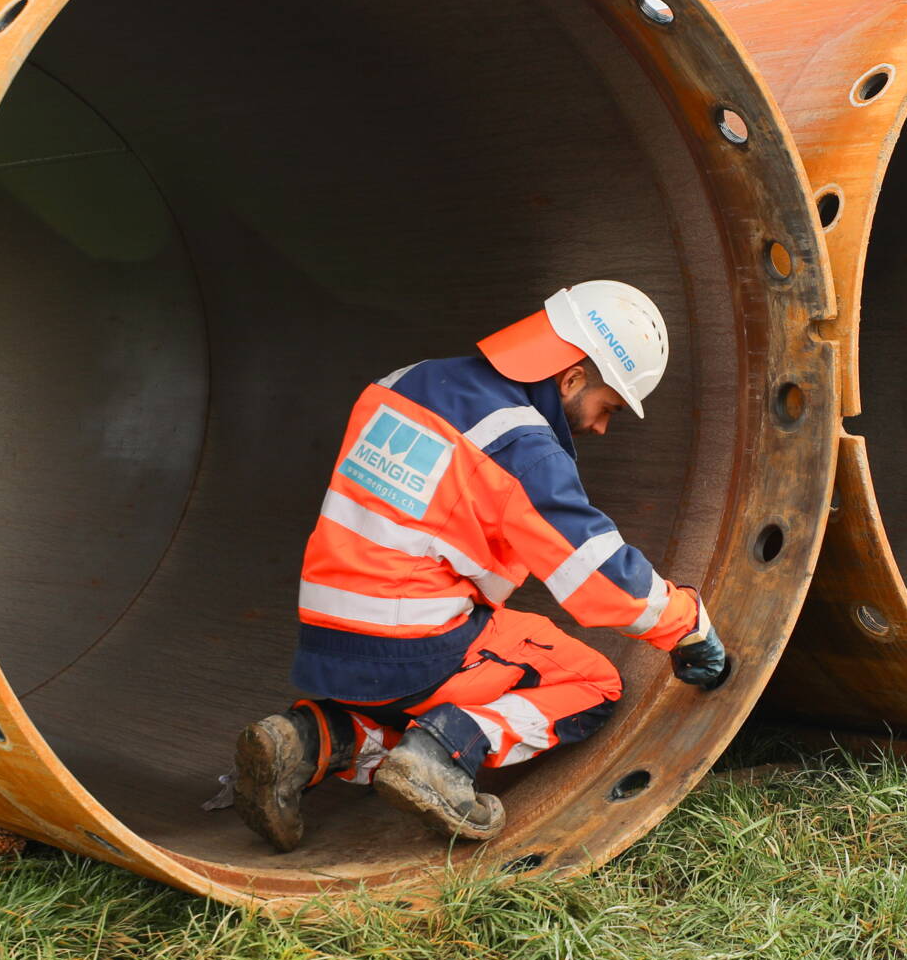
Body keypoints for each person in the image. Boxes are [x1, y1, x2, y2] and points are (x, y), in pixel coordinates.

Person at [232, 280, 732, 851]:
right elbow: (598, 575)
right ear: (570, 377)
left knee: (414, 700)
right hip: (414, 647)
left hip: (326, 638)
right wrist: (687, 624)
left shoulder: (405, 381)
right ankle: (445, 755)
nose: (599, 427)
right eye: (607, 406)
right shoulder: (520, 446)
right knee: (592, 682)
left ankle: (309, 739)